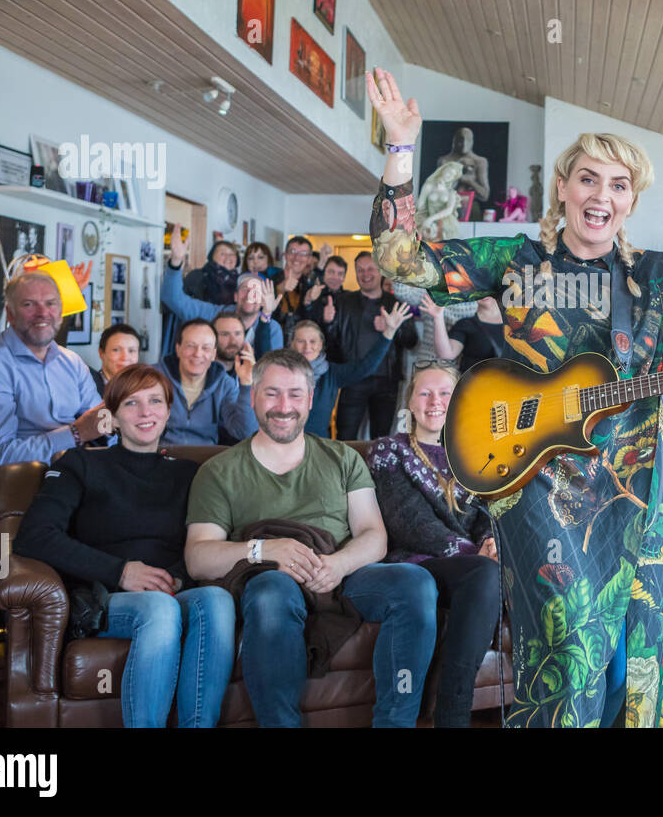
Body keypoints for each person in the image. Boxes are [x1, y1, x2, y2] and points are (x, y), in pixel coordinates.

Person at [367, 65, 663, 727]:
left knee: (642, 664)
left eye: (618, 184)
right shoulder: (516, 262)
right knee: (565, 655)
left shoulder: (655, 277)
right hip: (539, 478)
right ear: (563, 187)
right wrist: (400, 149)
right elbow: (401, 263)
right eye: (588, 178)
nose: (602, 195)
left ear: (631, 200)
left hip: (638, 487)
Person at [184, 349, 439, 727]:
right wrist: (264, 549)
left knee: (416, 581)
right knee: (272, 590)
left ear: (311, 399)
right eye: (271, 393)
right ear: (253, 396)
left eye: (294, 394)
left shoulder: (343, 458)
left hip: (339, 573)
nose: (283, 406)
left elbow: (373, 535)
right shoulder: (219, 471)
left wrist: (338, 565)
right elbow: (198, 557)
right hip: (267, 577)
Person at [13, 364, 236, 727]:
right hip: (105, 596)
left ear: (168, 409)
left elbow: (207, 539)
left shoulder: (190, 474)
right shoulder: (80, 464)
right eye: (131, 404)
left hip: (172, 591)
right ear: (112, 416)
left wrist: (178, 579)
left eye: (155, 401)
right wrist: (121, 572)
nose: (145, 412)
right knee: (159, 610)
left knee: (217, 600)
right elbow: (35, 536)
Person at [367, 363, 501, 727]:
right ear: (409, 401)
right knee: (485, 571)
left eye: (445, 393)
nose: (434, 401)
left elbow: (486, 514)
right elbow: (408, 522)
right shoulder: (388, 450)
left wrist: (488, 542)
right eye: (424, 392)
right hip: (416, 565)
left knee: (497, 572)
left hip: (472, 569)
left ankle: (463, 708)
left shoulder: (476, 455)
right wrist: (474, 553)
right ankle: (453, 714)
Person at [0, 273, 108, 475]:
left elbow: (102, 426)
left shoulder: (72, 362)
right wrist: (75, 434)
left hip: (78, 475)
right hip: (23, 486)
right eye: (29, 304)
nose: (43, 312)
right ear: (10, 314)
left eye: (51, 303)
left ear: (61, 312)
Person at [332, 252, 421, 440]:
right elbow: (333, 340)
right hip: (352, 379)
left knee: (381, 438)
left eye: (370, 268)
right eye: (360, 270)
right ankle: (344, 470)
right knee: (345, 436)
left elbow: (412, 341)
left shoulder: (396, 303)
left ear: (380, 271)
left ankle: (375, 471)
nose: (366, 274)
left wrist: (392, 329)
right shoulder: (343, 302)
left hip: (386, 382)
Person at [289, 305, 411, 438]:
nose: (307, 346)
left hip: (318, 444)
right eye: (301, 341)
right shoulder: (282, 372)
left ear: (321, 345)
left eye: (313, 341)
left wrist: (389, 332)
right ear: (292, 344)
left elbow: (366, 367)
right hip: (285, 442)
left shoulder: (332, 373)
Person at [165, 226, 283, 358]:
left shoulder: (272, 328)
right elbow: (174, 300)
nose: (250, 294)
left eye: (256, 290)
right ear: (236, 296)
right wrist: (175, 262)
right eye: (245, 288)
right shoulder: (215, 313)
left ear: (263, 300)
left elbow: (271, 366)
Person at [159, 319, 257, 446]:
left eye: (206, 348)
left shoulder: (225, 385)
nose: (198, 354)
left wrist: (246, 384)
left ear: (213, 354)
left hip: (205, 460)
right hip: (163, 455)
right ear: (178, 349)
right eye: (190, 346)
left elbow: (245, 432)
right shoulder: (154, 376)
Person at [419, 294, 504, 373]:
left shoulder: (515, 323)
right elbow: (446, 355)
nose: (484, 293)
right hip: (474, 386)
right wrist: (438, 317)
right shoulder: (466, 324)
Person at [301, 255, 350, 360]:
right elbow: (304, 321)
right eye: (331, 272)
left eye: (340, 274)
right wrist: (308, 302)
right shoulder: (313, 295)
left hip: (342, 358)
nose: (335, 277)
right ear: (324, 273)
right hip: (314, 356)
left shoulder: (350, 298)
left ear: (344, 277)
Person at [437, 126, 490, 220]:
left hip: (472, 207)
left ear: (472, 142)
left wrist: (470, 181)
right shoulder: (444, 161)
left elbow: (484, 195)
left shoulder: (480, 162)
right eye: (461, 140)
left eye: (468, 140)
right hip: (448, 206)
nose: (464, 144)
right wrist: (458, 177)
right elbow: (439, 191)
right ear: (454, 142)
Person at [273, 236, 319, 338]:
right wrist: (279, 290)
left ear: (309, 259)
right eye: (293, 251)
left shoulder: (311, 287)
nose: (297, 257)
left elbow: (312, 324)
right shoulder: (270, 281)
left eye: (303, 254)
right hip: (273, 344)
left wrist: (308, 303)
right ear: (285, 255)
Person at [183, 239, 240, 306]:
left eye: (232, 254)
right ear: (212, 257)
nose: (228, 257)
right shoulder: (197, 276)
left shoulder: (241, 281)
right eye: (222, 253)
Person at [91, 323, 140, 395]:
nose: (125, 358)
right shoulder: (90, 387)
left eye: (131, 350)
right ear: (101, 353)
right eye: (116, 350)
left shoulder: (142, 388)